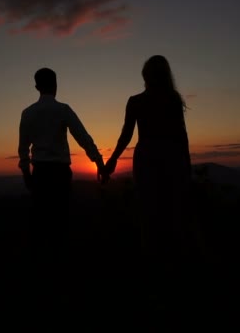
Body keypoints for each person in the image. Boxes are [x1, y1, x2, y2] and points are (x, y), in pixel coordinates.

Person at [104, 55, 197, 266]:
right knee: (173, 209)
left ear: (145, 76)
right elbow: (182, 137)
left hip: (147, 158)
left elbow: (126, 136)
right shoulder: (172, 99)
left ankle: (152, 260)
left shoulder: (136, 101)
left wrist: (112, 160)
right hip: (173, 157)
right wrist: (186, 165)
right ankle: (177, 260)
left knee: (148, 211)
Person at [18, 67, 108, 258]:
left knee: (40, 223)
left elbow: (23, 148)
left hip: (40, 174)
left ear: (37, 87)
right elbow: (83, 138)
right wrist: (99, 163)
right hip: (59, 174)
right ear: (55, 84)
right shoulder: (63, 110)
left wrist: (26, 172)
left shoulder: (27, 113)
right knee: (60, 222)